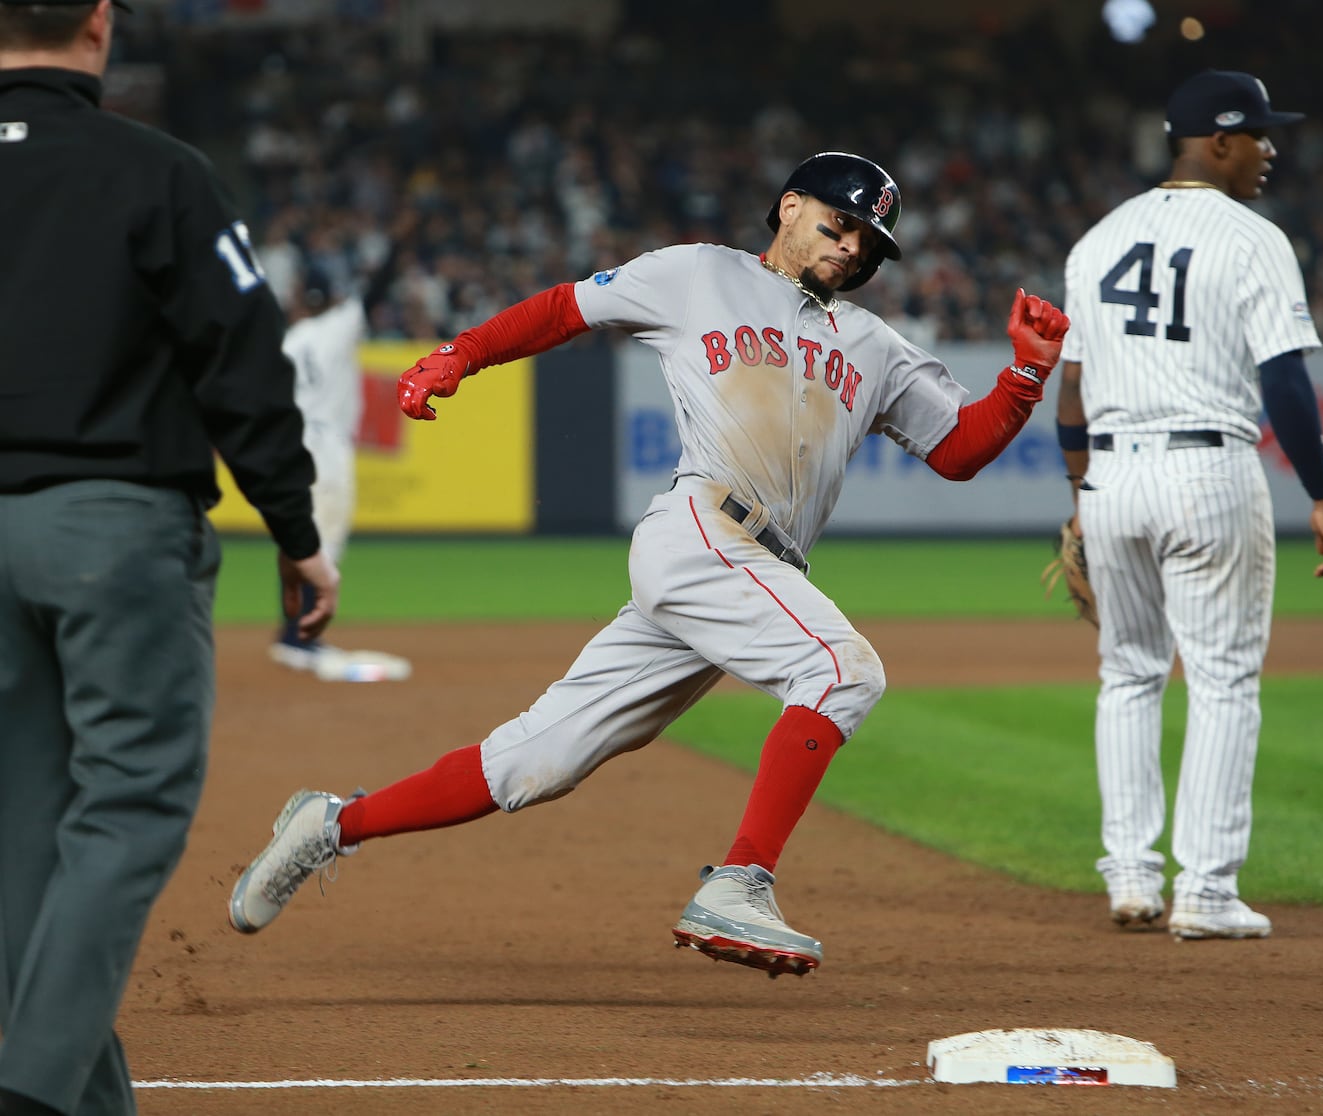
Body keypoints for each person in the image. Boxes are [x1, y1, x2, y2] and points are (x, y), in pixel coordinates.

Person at [227, 151, 1069, 978]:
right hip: (705, 530)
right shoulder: (698, 275)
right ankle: (742, 881)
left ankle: (332, 824)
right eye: (840, 223)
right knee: (842, 670)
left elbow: (957, 450)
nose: (852, 248)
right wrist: (461, 355)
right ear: (788, 208)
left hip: (752, 571)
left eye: (870, 244)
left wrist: (1026, 374)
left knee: (533, 764)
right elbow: (565, 310)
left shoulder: (876, 344)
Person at [0, 3, 339, 1115]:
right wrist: (295, 527)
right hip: (110, 528)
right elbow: (240, 360)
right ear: (99, 24)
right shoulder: (159, 171)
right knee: (128, 806)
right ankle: (34, 1095)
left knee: (22, 826)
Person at [1054, 70, 1323, 941]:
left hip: (1111, 477)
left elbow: (1070, 390)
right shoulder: (1252, 237)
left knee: (1128, 674)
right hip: (1207, 468)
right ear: (1218, 141)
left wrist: (1080, 501)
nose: (1270, 150)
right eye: (1259, 135)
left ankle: (1132, 877)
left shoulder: (1097, 239)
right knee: (1222, 682)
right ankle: (1208, 893)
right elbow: (1286, 381)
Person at [267, 242, 412, 682]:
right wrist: (397, 250)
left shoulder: (292, 339)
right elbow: (373, 294)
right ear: (327, 297)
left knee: (297, 538)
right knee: (323, 544)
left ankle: (292, 633)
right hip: (326, 447)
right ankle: (302, 638)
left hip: (294, 441)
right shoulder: (335, 325)